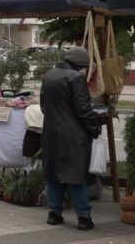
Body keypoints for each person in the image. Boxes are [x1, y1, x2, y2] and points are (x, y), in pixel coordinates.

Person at [41, 46, 101, 231]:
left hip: (51, 133)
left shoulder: (49, 75)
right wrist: (95, 128)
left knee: (54, 175)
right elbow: (83, 109)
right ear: (78, 64)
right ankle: (84, 217)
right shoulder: (75, 78)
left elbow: (43, 105)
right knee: (76, 177)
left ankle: (54, 214)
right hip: (74, 136)